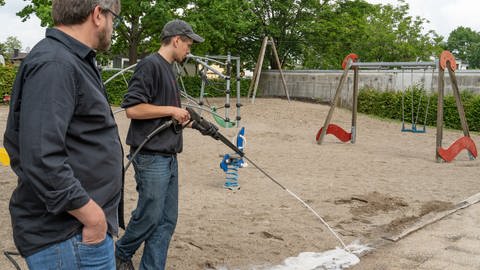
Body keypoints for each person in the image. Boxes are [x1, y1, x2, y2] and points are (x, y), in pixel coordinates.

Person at [3, 0, 124, 269]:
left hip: (76, 233)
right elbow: (41, 157)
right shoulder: (56, 63)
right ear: (97, 15)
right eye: (113, 17)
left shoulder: (72, 60)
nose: (113, 26)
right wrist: (92, 216)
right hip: (68, 236)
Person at [115, 19, 207, 270]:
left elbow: (162, 114)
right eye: (188, 44)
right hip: (150, 156)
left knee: (166, 220)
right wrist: (172, 110)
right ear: (176, 40)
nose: (189, 49)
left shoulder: (170, 69)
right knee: (150, 215)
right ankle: (121, 252)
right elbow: (132, 109)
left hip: (169, 155)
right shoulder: (150, 65)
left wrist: (183, 120)